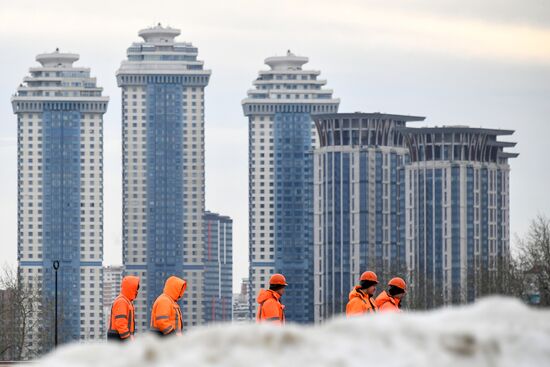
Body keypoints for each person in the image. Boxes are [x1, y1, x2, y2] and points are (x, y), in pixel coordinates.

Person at [107, 275, 140, 341]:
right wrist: (128, 339)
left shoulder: (126, 301)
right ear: (131, 288)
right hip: (118, 338)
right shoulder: (122, 301)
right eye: (136, 287)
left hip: (120, 336)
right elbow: (121, 322)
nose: (137, 290)